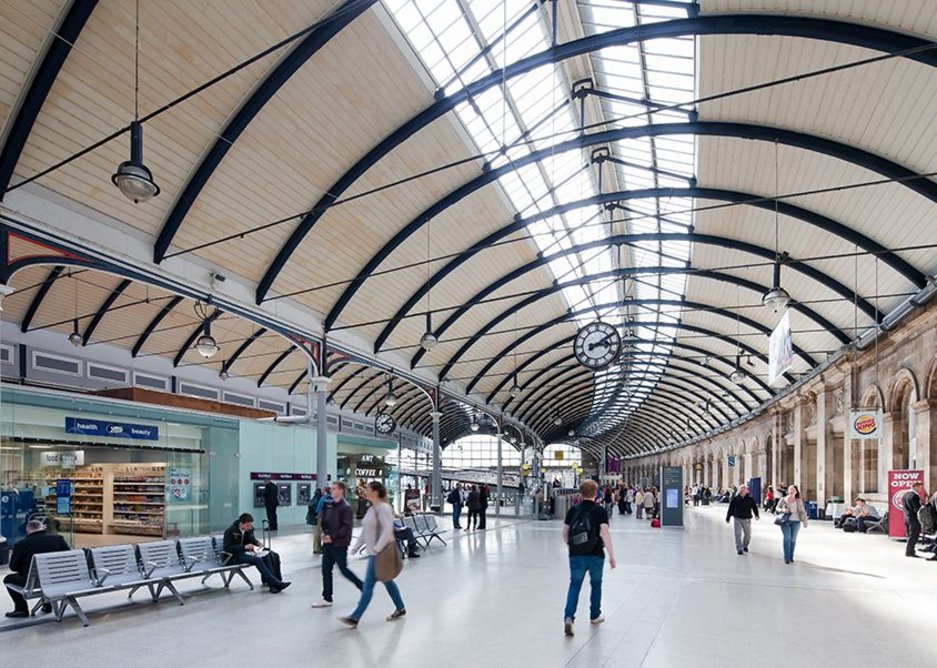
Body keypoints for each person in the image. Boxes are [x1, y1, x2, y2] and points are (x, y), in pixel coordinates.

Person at [339, 481, 407, 628]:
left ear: (375, 492)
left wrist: (377, 549)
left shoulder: (384, 508)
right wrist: (356, 547)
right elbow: (366, 531)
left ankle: (355, 617)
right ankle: (401, 608)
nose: (365, 491)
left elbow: (388, 530)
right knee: (387, 580)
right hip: (374, 553)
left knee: (368, 585)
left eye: (368, 489)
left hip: (380, 553)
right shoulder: (371, 509)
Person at [562, 479, 616, 637]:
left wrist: (573, 546)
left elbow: (565, 534)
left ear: (580, 493)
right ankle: (594, 615)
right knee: (596, 584)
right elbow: (604, 533)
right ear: (596, 492)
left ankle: (569, 617)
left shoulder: (573, 510)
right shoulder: (600, 511)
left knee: (574, 585)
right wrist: (612, 555)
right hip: (596, 554)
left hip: (576, 555)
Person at [4, 520, 69, 618]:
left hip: (32, 582)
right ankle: (47, 605)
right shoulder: (58, 539)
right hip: (56, 579)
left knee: (8, 579)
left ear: (28, 530)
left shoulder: (21, 544)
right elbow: (68, 558)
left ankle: (21, 609)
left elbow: (13, 567)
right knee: (45, 576)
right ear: (42, 528)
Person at [312, 482, 363, 609]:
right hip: (328, 543)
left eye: (334, 489)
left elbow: (347, 528)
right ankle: (327, 597)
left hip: (339, 544)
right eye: (331, 489)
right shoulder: (328, 505)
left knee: (343, 569)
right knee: (325, 570)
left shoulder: (345, 507)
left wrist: (332, 537)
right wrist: (324, 534)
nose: (332, 491)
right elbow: (323, 520)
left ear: (341, 491)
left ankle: (363, 586)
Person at [223, 513, 290, 592]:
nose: (250, 527)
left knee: (267, 555)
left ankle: (273, 583)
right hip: (233, 556)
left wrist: (257, 543)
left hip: (245, 553)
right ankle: (275, 583)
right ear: (241, 523)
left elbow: (251, 539)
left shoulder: (247, 530)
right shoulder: (230, 531)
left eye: (250, 525)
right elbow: (227, 548)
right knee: (257, 560)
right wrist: (244, 547)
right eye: (248, 525)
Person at [775, 484, 808, 564]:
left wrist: (805, 522)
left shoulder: (798, 501)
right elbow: (777, 508)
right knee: (787, 538)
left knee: (793, 539)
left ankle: (791, 556)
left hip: (796, 522)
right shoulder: (783, 499)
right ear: (788, 491)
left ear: (796, 492)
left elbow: (802, 512)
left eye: (793, 489)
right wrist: (782, 510)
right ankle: (786, 557)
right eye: (790, 489)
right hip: (785, 521)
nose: (792, 491)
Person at [725, 484, 760, 555]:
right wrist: (728, 517)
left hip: (747, 518)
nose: (743, 490)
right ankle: (739, 548)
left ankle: (745, 545)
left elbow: (754, 507)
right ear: (739, 490)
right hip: (737, 518)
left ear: (747, 490)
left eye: (744, 489)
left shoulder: (750, 499)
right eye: (741, 489)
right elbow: (731, 508)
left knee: (748, 534)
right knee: (738, 534)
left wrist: (756, 515)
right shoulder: (735, 499)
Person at [902, 482, 926, 558]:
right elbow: (917, 510)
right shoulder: (914, 496)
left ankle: (910, 550)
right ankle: (909, 551)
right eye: (920, 487)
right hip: (914, 519)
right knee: (914, 535)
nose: (921, 489)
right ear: (916, 487)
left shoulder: (905, 495)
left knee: (909, 535)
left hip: (906, 517)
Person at [313, 486, 333, 555]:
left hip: (321, 517)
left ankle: (318, 548)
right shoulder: (332, 498)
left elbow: (318, 509)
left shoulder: (323, 498)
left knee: (319, 533)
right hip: (329, 518)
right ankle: (325, 548)